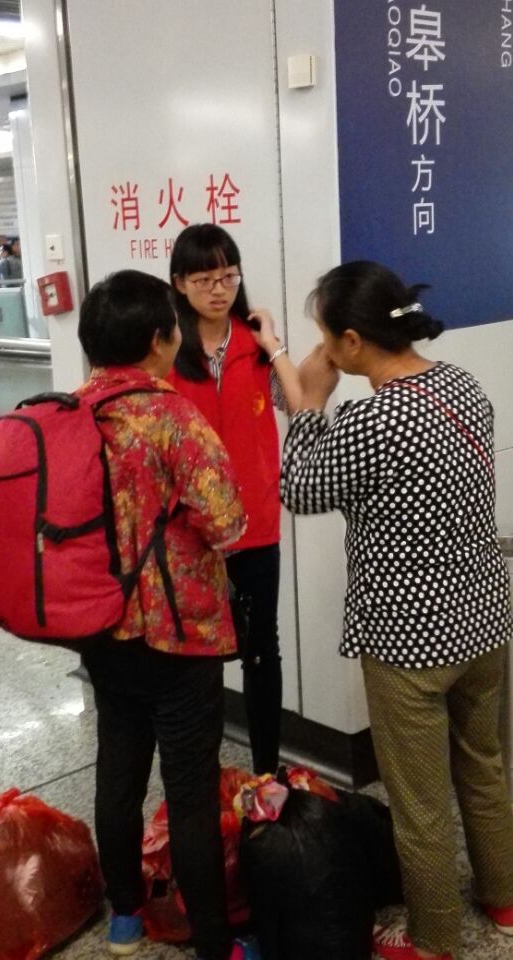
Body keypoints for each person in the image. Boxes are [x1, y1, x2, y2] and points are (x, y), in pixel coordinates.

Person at [279, 260, 513, 960]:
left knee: (419, 801)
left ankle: (433, 937)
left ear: (351, 342)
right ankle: (503, 897)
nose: (323, 351)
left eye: (325, 338)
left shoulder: (370, 420)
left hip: (409, 643)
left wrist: (307, 405)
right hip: (483, 618)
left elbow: (300, 490)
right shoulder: (461, 385)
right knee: (483, 765)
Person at [76, 269, 259, 960]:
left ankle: (124, 918)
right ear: (159, 339)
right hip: (178, 636)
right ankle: (214, 943)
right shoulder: (172, 416)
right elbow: (227, 521)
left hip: (99, 626)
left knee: (117, 771)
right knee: (188, 791)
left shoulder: (69, 414)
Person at [168, 223, 301, 775]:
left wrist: (275, 344)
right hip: (190, 532)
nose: (219, 289)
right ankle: (198, 777)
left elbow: (297, 402)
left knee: (262, 648)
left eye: (228, 276)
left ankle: (268, 774)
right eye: (204, 279)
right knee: (196, 656)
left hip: (255, 524)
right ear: (180, 283)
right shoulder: (166, 350)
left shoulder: (253, 346)